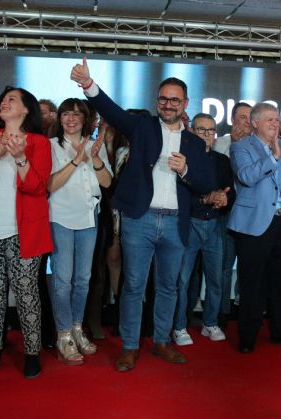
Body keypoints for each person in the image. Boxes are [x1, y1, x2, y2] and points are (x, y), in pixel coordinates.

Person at [71, 57, 213, 372]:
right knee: (133, 285)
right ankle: (130, 346)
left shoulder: (193, 143)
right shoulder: (143, 126)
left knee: (168, 286)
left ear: (185, 103)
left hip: (176, 223)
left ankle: (161, 341)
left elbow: (205, 183)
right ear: (157, 101)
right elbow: (112, 111)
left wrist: (185, 170)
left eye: (175, 100)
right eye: (163, 98)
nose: (168, 104)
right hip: (140, 219)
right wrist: (88, 84)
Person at [0, 86, 53, 379]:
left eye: (12, 100)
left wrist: (20, 157)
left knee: (26, 293)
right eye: (3, 99)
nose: (5, 103)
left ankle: (32, 353)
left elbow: (36, 187)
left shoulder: (38, 142)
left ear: (26, 109)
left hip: (24, 231)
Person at [228, 102, 281, 353]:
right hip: (254, 224)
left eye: (277, 120)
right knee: (252, 283)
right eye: (269, 120)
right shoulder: (241, 147)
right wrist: (272, 157)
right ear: (254, 123)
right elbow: (246, 177)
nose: (275, 124)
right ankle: (248, 336)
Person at [47, 98, 113, 365]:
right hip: (60, 217)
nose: (71, 119)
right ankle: (63, 333)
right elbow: (50, 185)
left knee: (83, 279)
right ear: (60, 118)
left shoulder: (95, 145)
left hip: (89, 216)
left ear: (85, 118)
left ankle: (76, 327)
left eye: (76, 114)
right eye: (66, 114)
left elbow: (106, 182)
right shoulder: (51, 146)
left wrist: (94, 158)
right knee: (63, 280)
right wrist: (76, 160)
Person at [172, 113, 235, 345]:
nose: (207, 135)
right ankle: (179, 326)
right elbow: (179, 195)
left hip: (215, 224)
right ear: (191, 131)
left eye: (211, 130)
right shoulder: (182, 159)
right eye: (201, 130)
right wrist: (204, 199)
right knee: (183, 280)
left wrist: (223, 199)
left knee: (215, 279)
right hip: (189, 224)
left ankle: (210, 323)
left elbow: (230, 190)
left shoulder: (222, 160)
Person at [213, 102, 252, 323]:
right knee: (225, 265)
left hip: (251, 214)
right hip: (226, 212)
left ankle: (243, 307)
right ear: (232, 120)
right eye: (242, 117)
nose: (247, 122)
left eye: (250, 117)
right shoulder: (220, 144)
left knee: (248, 265)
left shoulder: (258, 145)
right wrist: (235, 146)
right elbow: (219, 176)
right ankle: (222, 312)